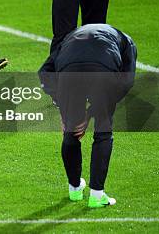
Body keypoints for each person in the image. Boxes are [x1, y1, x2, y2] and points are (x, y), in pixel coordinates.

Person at [39, 24, 137, 208]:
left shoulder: (68, 39)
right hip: (103, 70)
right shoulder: (128, 43)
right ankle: (97, 195)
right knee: (103, 130)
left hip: (69, 71)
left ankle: (75, 189)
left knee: (71, 130)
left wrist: (64, 109)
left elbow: (44, 74)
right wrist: (94, 112)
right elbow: (126, 82)